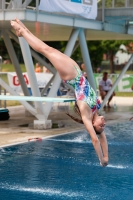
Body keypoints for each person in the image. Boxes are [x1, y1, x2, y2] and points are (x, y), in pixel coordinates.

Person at [10, 18, 108, 167]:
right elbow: (102, 138)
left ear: (94, 124)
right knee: (48, 49)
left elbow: (95, 139)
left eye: (101, 125)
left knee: (46, 50)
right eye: (104, 125)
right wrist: (106, 157)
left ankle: (21, 30)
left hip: (71, 76)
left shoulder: (86, 113)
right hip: (76, 71)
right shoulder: (95, 109)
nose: (104, 123)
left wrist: (101, 160)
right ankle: (22, 30)